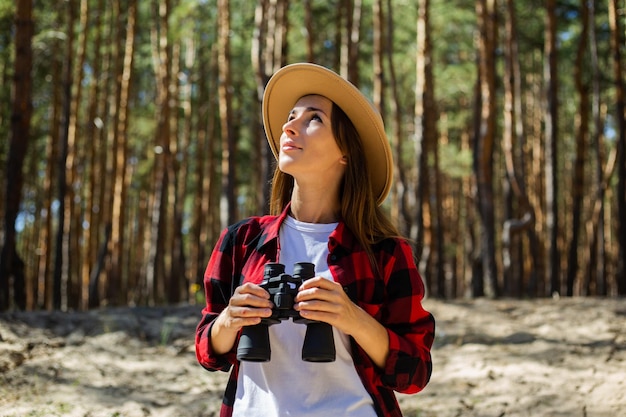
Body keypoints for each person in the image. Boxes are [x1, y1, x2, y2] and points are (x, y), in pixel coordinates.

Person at [195, 62, 435, 417]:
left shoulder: (383, 252)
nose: (289, 126)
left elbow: (414, 373)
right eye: (290, 117)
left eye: (314, 119)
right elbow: (206, 350)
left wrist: (353, 318)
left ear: (346, 152)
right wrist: (231, 318)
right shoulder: (242, 240)